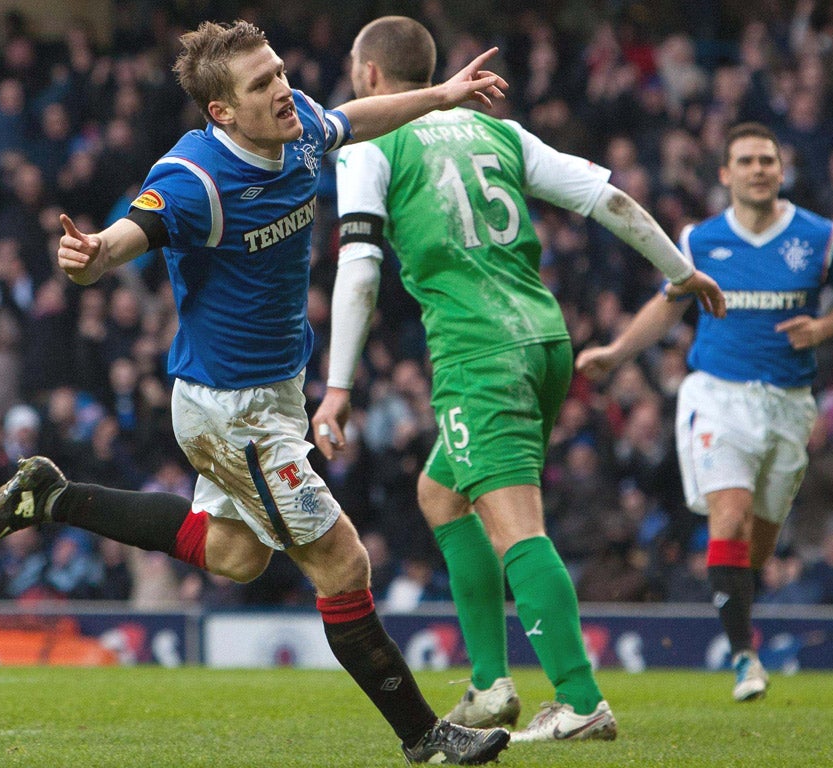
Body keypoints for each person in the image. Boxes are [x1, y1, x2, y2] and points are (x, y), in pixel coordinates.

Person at [0, 20, 512, 765]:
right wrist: (90, 259)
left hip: (276, 390)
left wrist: (441, 94)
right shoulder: (193, 179)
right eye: (261, 85)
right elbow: (128, 236)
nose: (282, 88)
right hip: (235, 412)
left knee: (234, 555)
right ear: (222, 112)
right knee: (342, 563)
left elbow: (357, 120)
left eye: (279, 70)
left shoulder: (300, 129)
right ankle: (425, 736)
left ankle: (53, 495)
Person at [310, 16, 725, 742]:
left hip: (480, 354)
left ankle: (581, 699)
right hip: (544, 340)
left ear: (369, 75)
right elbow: (611, 201)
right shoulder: (496, 131)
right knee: (440, 492)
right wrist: (678, 270)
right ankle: (489, 685)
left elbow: (361, 266)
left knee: (514, 526)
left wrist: (338, 386)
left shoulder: (370, 142)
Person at [576, 122, 833, 701]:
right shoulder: (699, 240)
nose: (759, 169)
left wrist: (825, 326)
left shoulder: (825, 238)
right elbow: (668, 308)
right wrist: (615, 353)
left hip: (789, 404)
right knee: (729, 516)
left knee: (757, 544)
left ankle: (740, 617)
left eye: (768, 160)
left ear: (780, 170)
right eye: (747, 160)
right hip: (717, 395)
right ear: (725, 173)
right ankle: (744, 657)